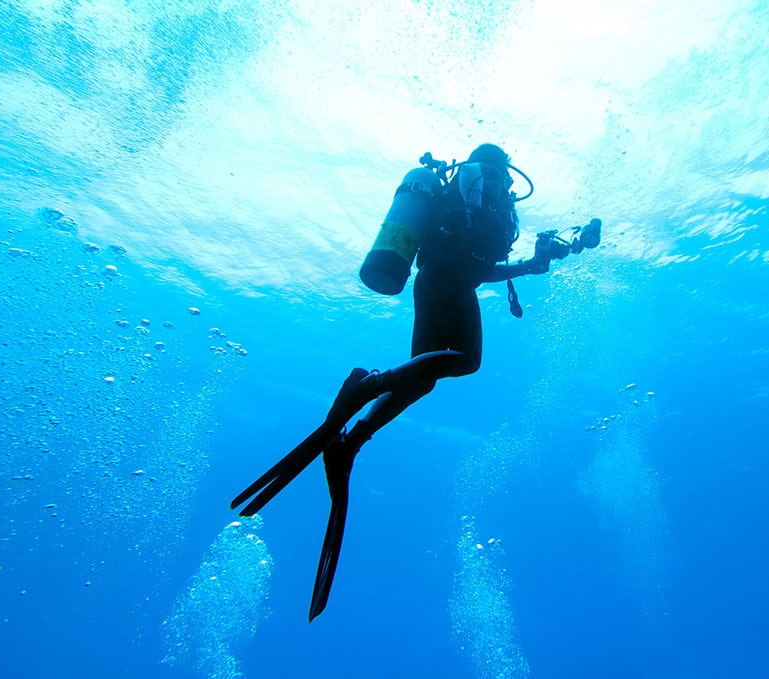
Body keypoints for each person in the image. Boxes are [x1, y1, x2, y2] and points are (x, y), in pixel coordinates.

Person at [229, 143, 600, 621]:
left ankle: (352, 439)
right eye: (506, 176)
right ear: (500, 167)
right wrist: (518, 255)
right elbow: (471, 264)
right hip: (449, 281)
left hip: (436, 279)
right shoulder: (481, 190)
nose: (509, 184)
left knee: (423, 377)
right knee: (465, 361)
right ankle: (366, 389)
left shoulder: (468, 199)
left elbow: (476, 264)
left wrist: (530, 264)